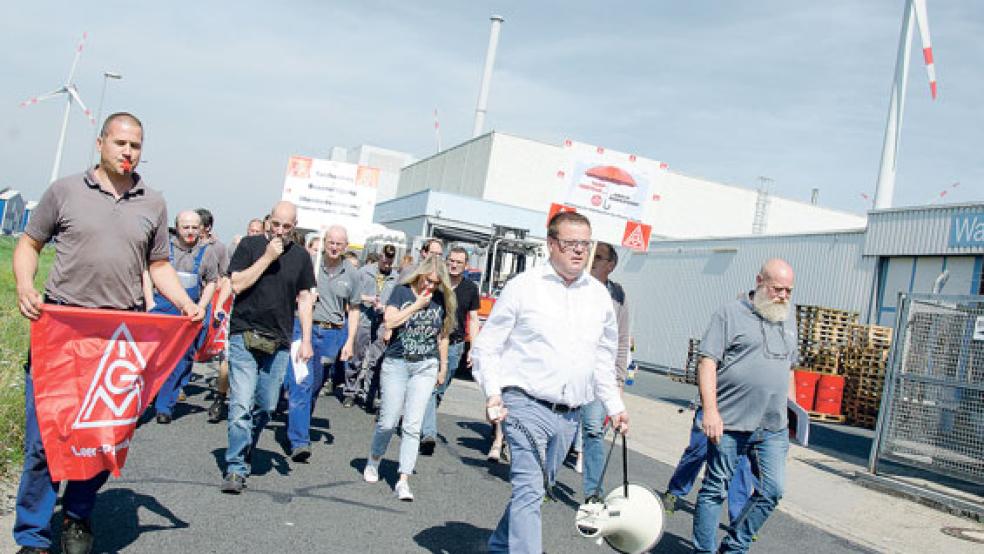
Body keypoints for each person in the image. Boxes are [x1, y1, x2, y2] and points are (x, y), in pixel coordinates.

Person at [11, 112, 203, 554]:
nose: (128, 152)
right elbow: (29, 243)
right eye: (120, 143)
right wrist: (25, 285)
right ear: (100, 143)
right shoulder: (65, 191)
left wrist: (184, 303)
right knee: (44, 442)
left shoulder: (152, 203)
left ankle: (77, 517)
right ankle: (33, 535)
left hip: (118, 340)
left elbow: (157, 265)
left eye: (135, 145)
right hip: (61, 332)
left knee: (102, 436)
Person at [472, 211, 629, 554]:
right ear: (551, 244)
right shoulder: (524, 287)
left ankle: (500, 544)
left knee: (539, 489)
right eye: (571, 244)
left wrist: (616, 406)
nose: (579, 252)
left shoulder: (599, 296)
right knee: (529, 488)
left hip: (570, 414)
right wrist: (493, 394)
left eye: (585, 245)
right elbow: (488, 346)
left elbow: (603, 358)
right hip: (525, 404)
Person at [692, 259, 798, 553]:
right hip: (730, 423)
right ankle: (703, 550)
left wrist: (793, 412)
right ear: (759, 281)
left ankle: (734, 546)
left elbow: (789, 368)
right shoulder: (730, 314)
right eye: (778, 289)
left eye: (789, 291)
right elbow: (707, 362)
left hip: (773, 427)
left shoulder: (788, 319)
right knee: (716, 489)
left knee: (772, 491)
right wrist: (710, 410)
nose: (783, 296)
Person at [221, 201, 316, 494]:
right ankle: (236, 468)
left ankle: (247, 443)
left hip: (279, 340)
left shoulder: (301, 257)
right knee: (240, 404)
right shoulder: (250, 246)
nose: (280, 231)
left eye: (287, 227)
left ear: (294, 226)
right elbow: (236, 284)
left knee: (266, 405)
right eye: (276, 225)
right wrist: (266, 258)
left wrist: (307, 341)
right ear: (268, 222)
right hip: (244, 333)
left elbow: (304, 298)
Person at [363, 256, 457, 502]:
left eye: (437, 283)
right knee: (388, 421)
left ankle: (403, 479)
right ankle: (374, 458)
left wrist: (443, 365)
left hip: (426, 364)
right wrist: (417, 305)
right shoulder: (402, 292)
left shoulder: (441, 299)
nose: (431, 286)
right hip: (397, 362)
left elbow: (443, 334)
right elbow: (390, 321)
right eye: (428, 280)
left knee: (412, 425)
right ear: (420, 275)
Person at [286, 225, 360, 462]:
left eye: (339, 243)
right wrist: (303, 296)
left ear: (346, 246)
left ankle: (301, 424)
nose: (334, 247)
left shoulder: (352, 274)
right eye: (331, 242)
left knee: (315, 385)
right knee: (301, 383)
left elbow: (355, 309)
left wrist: (349, 341)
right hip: (303, 328)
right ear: (324, 242)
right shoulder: (309, 264)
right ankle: (299, 441)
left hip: (331, 335)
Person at [143, 210, 221, 424]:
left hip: (189, 313)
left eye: (195, 227)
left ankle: (165, 406)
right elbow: (148, 273)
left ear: (201, 229)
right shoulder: (163, 248)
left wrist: (202, 306)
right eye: (185, 227)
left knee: (181, 359)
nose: (190, 232)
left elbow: (212, 281)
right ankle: (142, 400)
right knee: (152, 357)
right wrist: (149, 302)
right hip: (161, 307)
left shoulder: (207, 253)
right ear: (177, 227)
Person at [579, 241, 631, 501]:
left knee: (593, 428)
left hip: (600, 374)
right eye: (591, 255)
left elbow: (622, 340)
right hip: (570, 370)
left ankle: (593, 492)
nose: (592, 261)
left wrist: (618, 380)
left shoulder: (618, 296)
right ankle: (546, 480)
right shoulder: (575, 286)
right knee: (561, 429)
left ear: (610, 266)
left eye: (598, 258)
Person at [419, 246, 480, 455]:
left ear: (466, 266)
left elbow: (473, 319)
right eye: (451, 261)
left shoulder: (470, 289)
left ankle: (420, 420)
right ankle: (428, 433)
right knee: (431, 389)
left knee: (438, 391)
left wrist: (473, 348)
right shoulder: (438, 284)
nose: (454, 265)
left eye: (458, 262)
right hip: (430, 342)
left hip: (454, 345)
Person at [208, 217, 267, 423]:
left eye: (257, 231)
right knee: (227, 358)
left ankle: (250, 403)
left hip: (261, 318)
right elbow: (228, 280)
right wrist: (219, 305)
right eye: (250, 230)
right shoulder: (241, 250)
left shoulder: (271, 256)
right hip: (237, 314)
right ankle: (220, 397)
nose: (253, 234)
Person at [663, 406, 756, 522]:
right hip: (712, 405)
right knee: (698, 452)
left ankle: (739, 517)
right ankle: (674, 492)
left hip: (742, 411)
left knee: (740, 463)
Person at [351, 244, 399, 411]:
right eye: (384, 261)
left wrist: (384, 308)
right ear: (380, 257)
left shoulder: (396, 278)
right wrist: (367, 298)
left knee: (375, 361)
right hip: (364, 319)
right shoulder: (364, 272)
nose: (386, 264)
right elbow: (352, 295)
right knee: (357, 357)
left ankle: (367, 396)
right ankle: (350, 391)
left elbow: (396, 302)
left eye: (390, 262)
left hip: (382, 322)